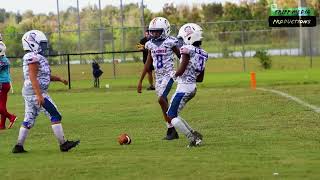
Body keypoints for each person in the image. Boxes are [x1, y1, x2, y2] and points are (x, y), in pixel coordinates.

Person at [12, 30, 80, 153]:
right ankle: (63, 144)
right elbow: (33, 77)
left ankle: (18, 146)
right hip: (36, 92)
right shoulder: (33, 57)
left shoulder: (34, 57)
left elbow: (42, 76)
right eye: (41, 44)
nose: (44, 47)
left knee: (29, 118)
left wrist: (59, 79)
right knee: (55, 115)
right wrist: (39, 95)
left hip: (30, 92)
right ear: (32, 43)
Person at [137, 17, 181, 140]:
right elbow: (148, 62)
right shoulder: (150, 44)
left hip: (169, 74)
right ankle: (171, 129)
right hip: (159, 76)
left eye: (158, 31)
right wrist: (140, 81)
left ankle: (175, 123)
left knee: (161, 100)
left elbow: (180, 56)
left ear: (165, 30)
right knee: (163, 102)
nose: (155, 33)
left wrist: (184, 71)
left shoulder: (170, 42)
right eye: (153, 31)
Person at [166, 23, 208, 147]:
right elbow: (200, 78)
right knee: (174, 114)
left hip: (183, 88)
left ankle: (192, 138)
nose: (180, 42)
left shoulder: (187, 50)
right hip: (192, 87)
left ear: (189, 37)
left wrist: (174, 73)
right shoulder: (203, 53)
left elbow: (181, 69)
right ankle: (194, 134)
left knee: (171, 116)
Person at [0, 39, 17, 130]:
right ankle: (2, 125)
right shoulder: (5, 59)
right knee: (2, 105)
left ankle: (11, 117)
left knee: (1, 106)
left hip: (1, 84)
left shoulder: (1, 61)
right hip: (5, 84)